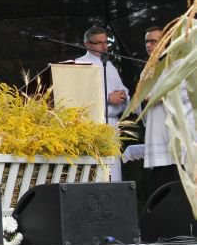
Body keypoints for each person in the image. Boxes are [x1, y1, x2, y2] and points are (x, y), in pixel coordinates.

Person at [139, 26, 194, 204]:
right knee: (160, 187)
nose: (149, 45)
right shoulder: (146, 70)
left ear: (165, 42)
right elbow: (142, 103)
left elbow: (188, 93)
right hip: (156, 132)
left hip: (176, 133)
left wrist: (159, 96)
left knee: (181, 185)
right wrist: (143, 102)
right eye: (147, 41)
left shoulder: (178, 63)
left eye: (153, 41)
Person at [75, 24, 130, 181]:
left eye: (106, 42)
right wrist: (107, 98)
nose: (104, 47)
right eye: (99, 43)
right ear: (87, 44)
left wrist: (123, 95)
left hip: (112, 125)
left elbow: (122, 90)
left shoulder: (110, 65)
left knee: (114, 171)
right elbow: (79, 97)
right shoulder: (80, 65)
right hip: (93, 124)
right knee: (96, 173)